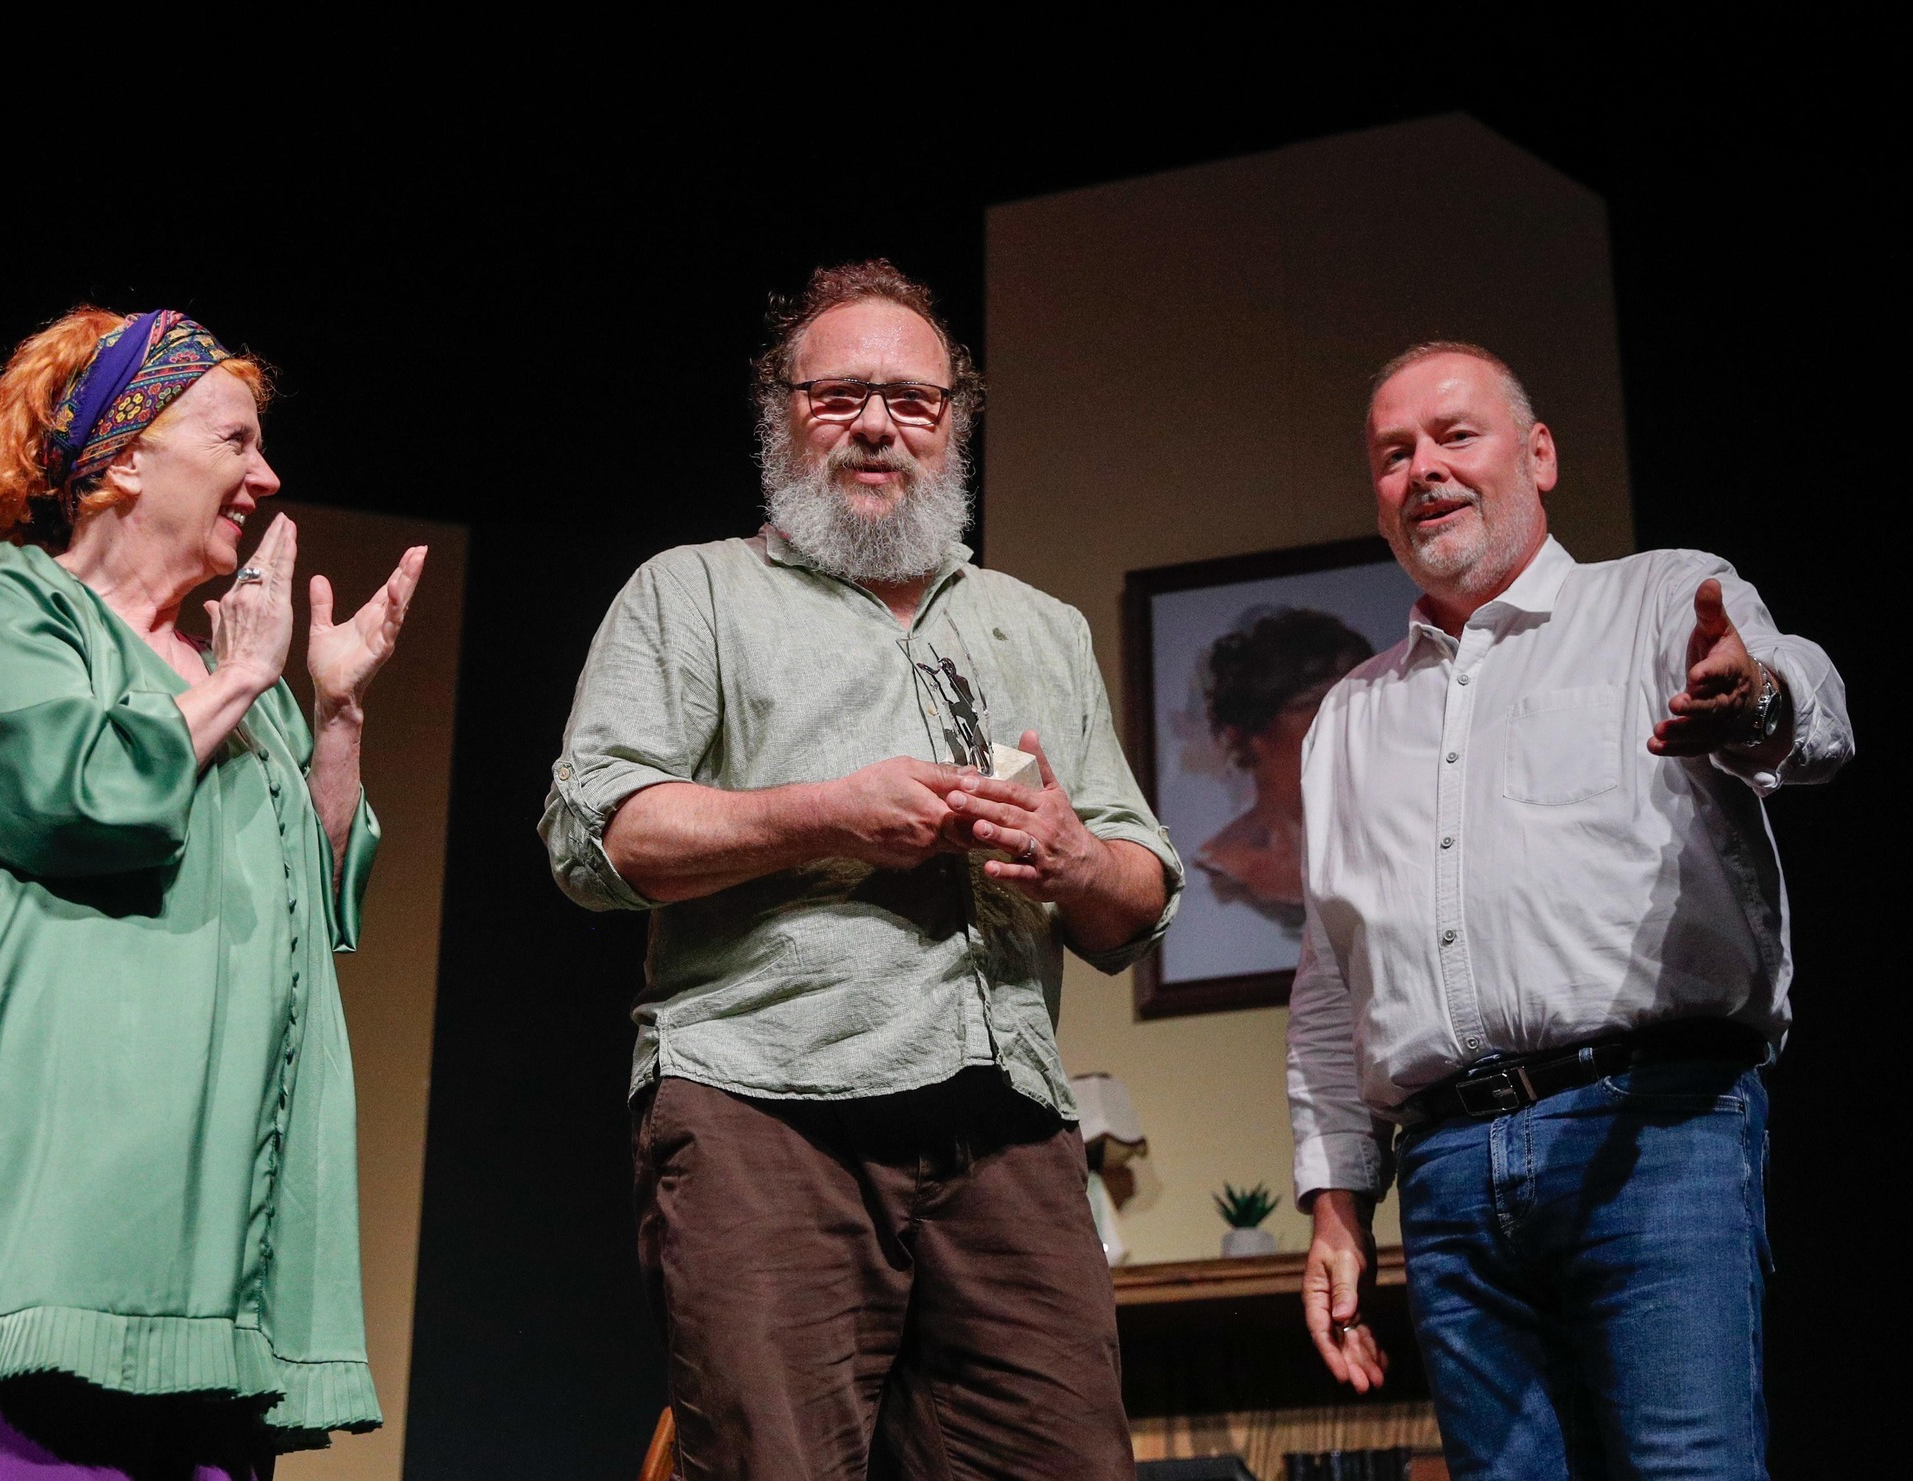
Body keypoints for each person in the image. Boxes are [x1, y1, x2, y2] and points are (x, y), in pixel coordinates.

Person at [542, 260, 1181, 1480]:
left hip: (1006, 1130)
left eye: (912, 399)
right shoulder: (693, 592)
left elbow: (1137, 901)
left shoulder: (1038, 625)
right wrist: (825, 814)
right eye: (838, 395)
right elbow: (599, 836)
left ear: (953, 424)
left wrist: (1068, 854)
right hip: (765, 1112)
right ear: (778, 414)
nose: (877, 424)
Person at [0, 308, 426, 1478]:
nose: (264, 477)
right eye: (234, 441)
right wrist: (245, 676)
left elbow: (317, 891)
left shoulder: (236, 676)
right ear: (124, 458)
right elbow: (70, 795)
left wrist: (334, 714)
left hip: (221, 1258)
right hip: (60, 1235)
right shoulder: (18, 604)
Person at [1287, 342, 1851, 1479]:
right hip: (1445, 1171)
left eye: (1455, 435)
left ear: (1538, 454)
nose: (1423, 469)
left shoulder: (1657, 597)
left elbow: (1813, 715)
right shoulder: (1347, 715)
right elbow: (1330, 980)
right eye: (1393, 454)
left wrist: (1754, 703)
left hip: (1652, 1129)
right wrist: (1336, 1201)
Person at [1194, 607, 1372, 923]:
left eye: (1363, 700)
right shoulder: (1216, 873)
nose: (1352, 721)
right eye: (1322, 704)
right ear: (1253, 731)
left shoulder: (1399, 843)